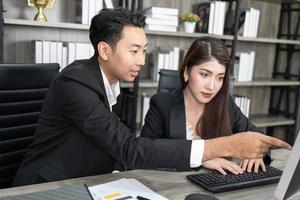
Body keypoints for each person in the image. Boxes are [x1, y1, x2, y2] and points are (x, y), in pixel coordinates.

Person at [13, 8, 291, 186]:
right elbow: (129, 149)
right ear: (105, 50)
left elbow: (113, 148)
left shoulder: (107, 83)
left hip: (87, 179)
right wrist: (216, 148)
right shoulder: (76, 84)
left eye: (144, 51)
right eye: (134, 51)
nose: (142, 60)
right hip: (44, 186)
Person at [141, 37, 281, 175]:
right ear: (186, 72)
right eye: (204, 74)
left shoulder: (225, 104)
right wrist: (200, 159)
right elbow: (144, 154)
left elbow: (258, 137)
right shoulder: (162, 104)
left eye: (220, 77)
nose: (212, 86)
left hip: (218, 185)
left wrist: (257, 154)